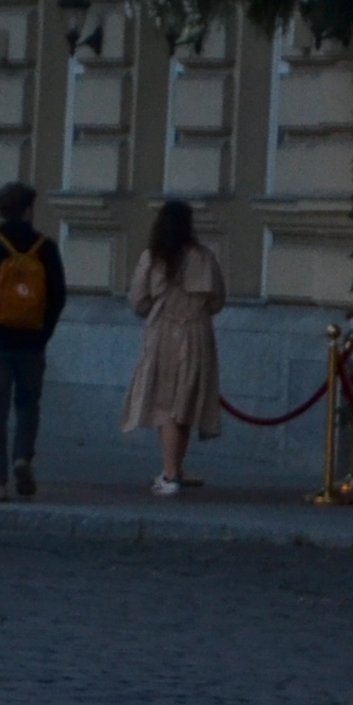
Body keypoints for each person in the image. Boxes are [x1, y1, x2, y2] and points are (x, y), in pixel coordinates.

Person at [0, 181, 68, 502]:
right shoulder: (44, 247)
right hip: (32, 342)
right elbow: (58, 295)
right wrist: (44, 332)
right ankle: (22, 457)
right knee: (28, 404)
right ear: (28, 210)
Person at [121, 196, 225, 496]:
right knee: (185, 402)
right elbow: (217, 300)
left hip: (163, 331)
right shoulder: (204, 257)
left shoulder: (152, 258)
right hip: (196, 333)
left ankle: (170, 474)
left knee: (165, 405)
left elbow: (137, 300)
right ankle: (175, 467)